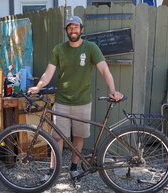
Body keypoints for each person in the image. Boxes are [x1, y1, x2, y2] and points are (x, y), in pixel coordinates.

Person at [28, 16, 123, 181]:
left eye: (76, 27)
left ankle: (73, 168)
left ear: (82, 29)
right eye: (70, 27)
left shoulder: (91, 48)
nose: (73, 30)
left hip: (83, 101)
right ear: (66, 30)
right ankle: (52, 171)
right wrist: (38, 86)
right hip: (62, 101)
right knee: (57, 138)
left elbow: (105, 70)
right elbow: (48, 72)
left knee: (78, 137)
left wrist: (113, 90)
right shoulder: (59, 49)